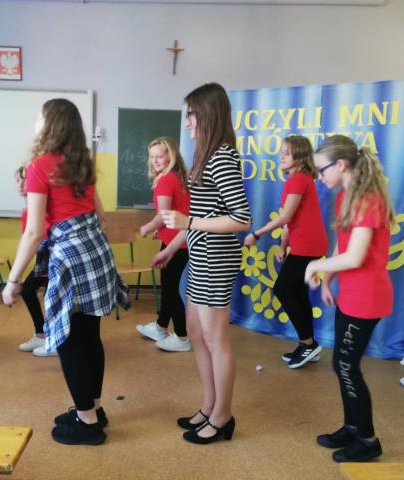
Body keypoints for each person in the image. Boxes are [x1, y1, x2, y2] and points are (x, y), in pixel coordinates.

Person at [2, 99, 128, 446]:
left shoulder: (39, 166)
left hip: (71, 257)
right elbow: (100, 215)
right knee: (89, 335)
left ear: (49, 125)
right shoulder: (82, 164)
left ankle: (87, 423)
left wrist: (13, 280)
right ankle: (93, 408)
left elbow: (34, 232)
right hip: (96, 251)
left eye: (39, 118)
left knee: (69, 341)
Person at [154, 83, 251, 444]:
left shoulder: (222, 156)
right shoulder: (205, 156)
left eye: (191, 115)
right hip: (199, 255)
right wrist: (172, 247)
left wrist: (189, 223)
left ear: (207, 114)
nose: (187, 122)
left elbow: (241, 218)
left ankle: (223, 417)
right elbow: (199, 215)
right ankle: (209, 406)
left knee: (214, 338)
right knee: (195, 332)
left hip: (216, 259)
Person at [304, 134, 394, 463]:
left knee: (345, 365)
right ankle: (352, 427)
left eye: (321, 170)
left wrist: (315, 265)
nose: (319, 177)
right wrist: (328, 278)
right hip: (351, 294)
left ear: (340, 165)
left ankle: (368, 440)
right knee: (342, 364)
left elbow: (355, 257)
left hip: (367, 297)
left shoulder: (367, 199)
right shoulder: (346, 195)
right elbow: (342, 246)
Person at [244, 135, 328, 368]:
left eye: (287, 153)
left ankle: (308, 344)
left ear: (299, 157)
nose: (281, 156)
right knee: (298, 293)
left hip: (307, 244)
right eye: (282, 152)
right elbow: (290, 221)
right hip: (305, 243)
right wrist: (283, 247)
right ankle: (308, 344)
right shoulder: (298, 179)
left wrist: (257, 234)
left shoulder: (298, 179)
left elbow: (285, 217)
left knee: (282, 288)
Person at [136, 137, 191, 352]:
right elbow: (176, 211)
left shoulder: (166, 180)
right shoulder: (177, 177)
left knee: (169, 289)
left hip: (175, 244)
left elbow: (163, 214)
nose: (156, 160)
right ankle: (160, 327)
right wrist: (158, 229)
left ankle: (182, 337)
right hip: (179, 240)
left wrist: (147, 227)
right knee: (169, 285)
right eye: (152, 157)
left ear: (171, 156)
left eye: (160, 156)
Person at [13, 165, 55, 357]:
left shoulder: (42, 208)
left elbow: (39, 238)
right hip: (42, 263)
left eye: (25, 180)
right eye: (18, 181)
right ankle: (41, 334)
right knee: (29, 290)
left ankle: (52, 339)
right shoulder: (26, 212)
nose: (21, 185)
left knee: (46, 297)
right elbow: (27, 243)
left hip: (53, 261)